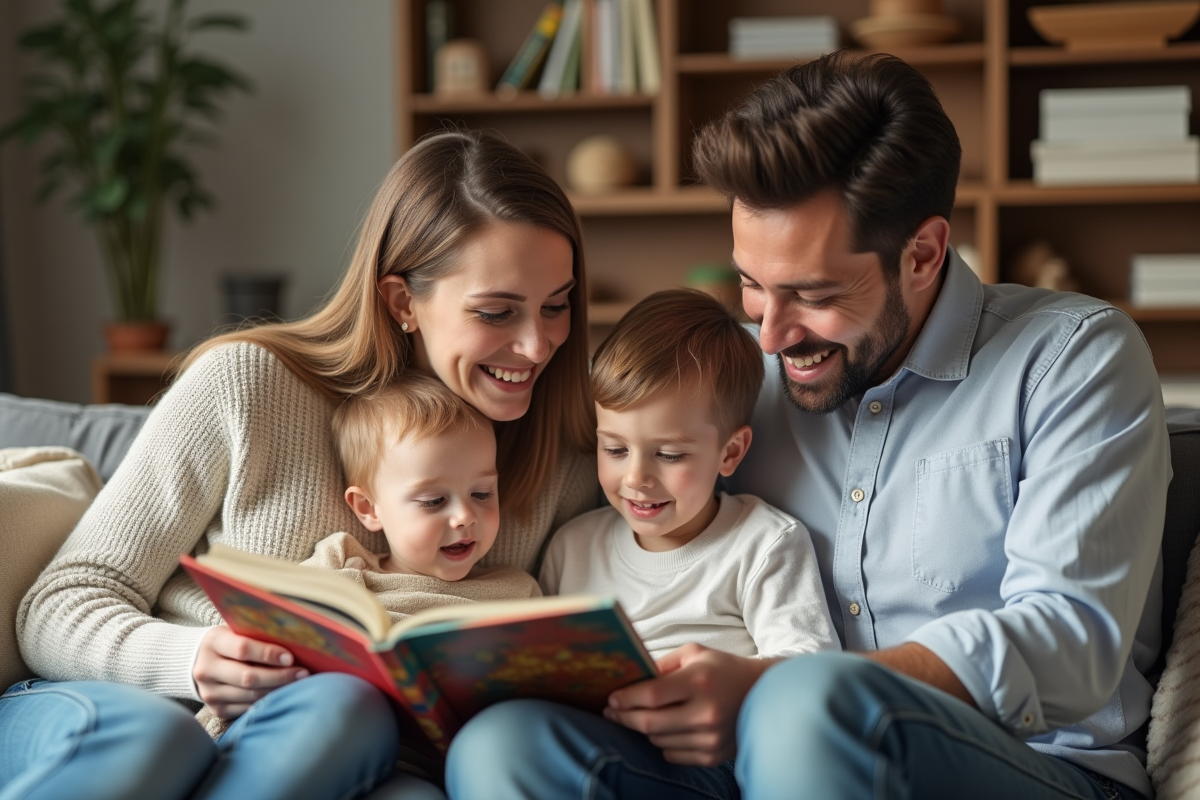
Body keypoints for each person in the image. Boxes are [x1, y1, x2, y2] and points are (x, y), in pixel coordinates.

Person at [445, 52, 1171, 800]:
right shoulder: (736, 387)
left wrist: (774, 685)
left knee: (803, 704)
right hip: (755, 766)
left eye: (813, 293)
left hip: (1025, 766)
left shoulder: (1073, 358)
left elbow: (1072, 640)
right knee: (507, 745)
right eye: (752, 286)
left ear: (922, 255)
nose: (770, 335)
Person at [2, 130, 597, 800]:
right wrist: (193, 660)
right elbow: (57, 605)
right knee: (175, 735)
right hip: (155, 715)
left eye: (557, 306)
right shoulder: (248, 386)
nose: (536, 344)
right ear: (403, 302)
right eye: (497, 311)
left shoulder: (568, 460)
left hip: (353, 756)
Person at [195, 374, 540, 744]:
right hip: (324, 734)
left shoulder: (517, 590)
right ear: (368, 509)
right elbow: (271, 640)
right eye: (433, 501)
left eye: (482, 493)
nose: (465, 517)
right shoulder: (342, 565)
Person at [540, 289, 837, 662]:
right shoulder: (572, 549)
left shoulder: (764, 544)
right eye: (615, 449)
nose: (636, 477)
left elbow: (811, 662)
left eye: (668, 454)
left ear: (729, 453)